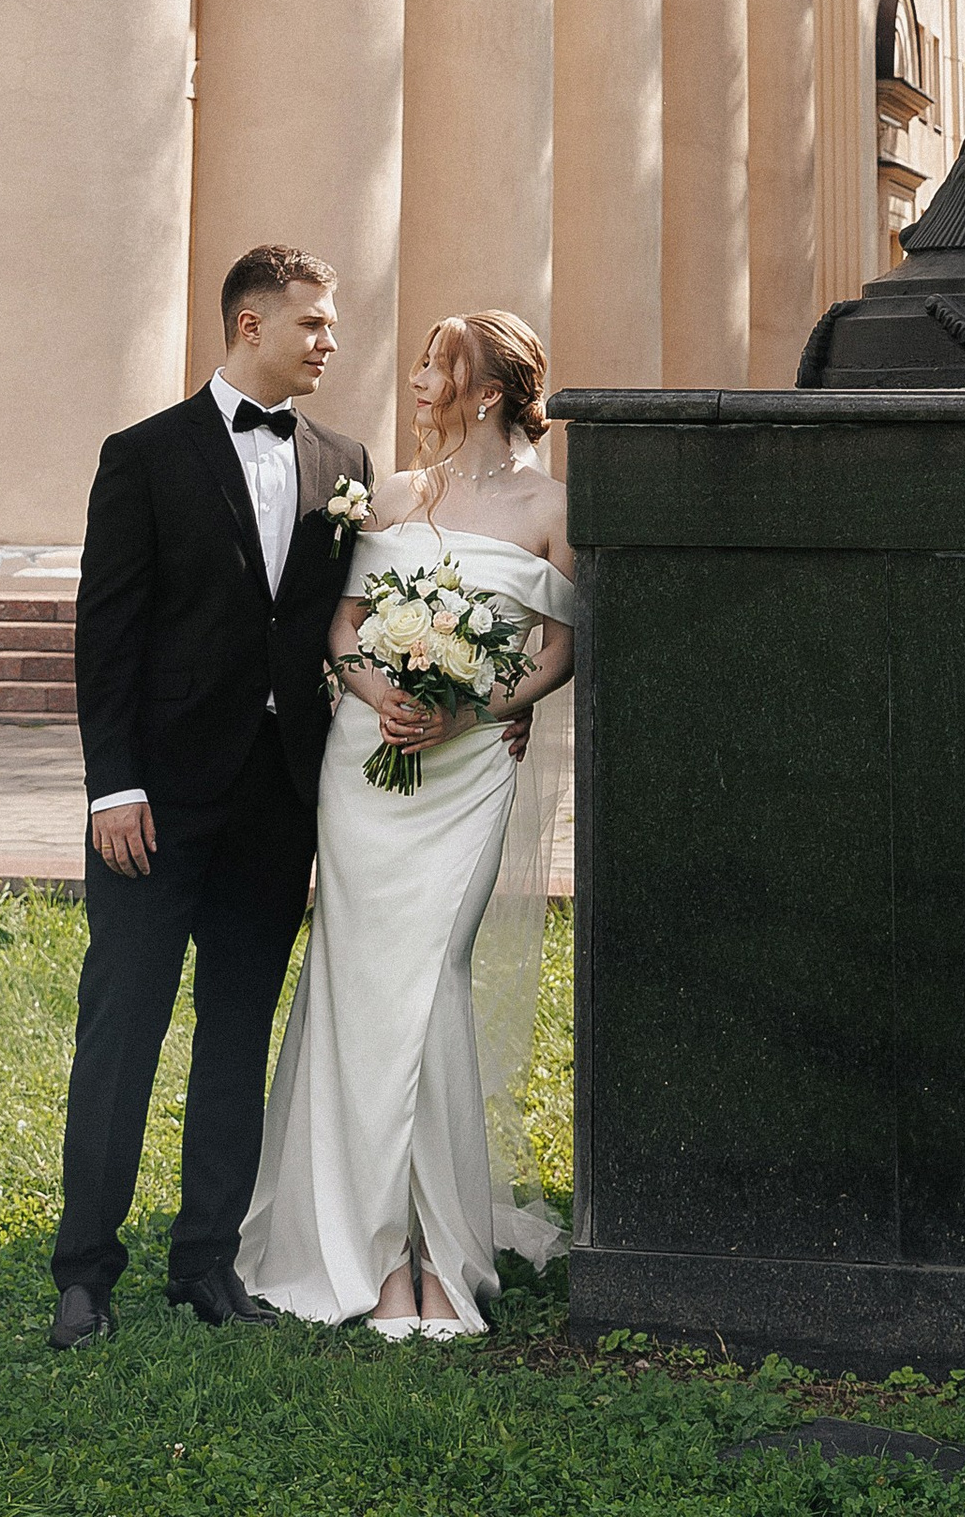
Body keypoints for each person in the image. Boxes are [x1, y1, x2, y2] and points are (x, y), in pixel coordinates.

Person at [48, 246, 372, 1348]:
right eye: (313, 324)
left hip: (278, 805)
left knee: (236, 1036)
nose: (330, 340)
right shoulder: (141, 455)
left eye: (331, 325)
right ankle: (84, 1273)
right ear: (249, 326)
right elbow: (108, 635)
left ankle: (206, 1263)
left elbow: (338, 627)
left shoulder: (344, 458)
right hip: (156, 805)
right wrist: (114, 787)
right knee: (121, 1031)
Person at [238, 310, 575, 1339]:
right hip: (367, 770)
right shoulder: (389, 495)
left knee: (433, 981)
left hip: (469, 766)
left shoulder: (554, 507)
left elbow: (563, 644)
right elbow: (342, 622)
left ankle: (439, 1248)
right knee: (356, 988)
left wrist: (478, 708)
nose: (419, 380)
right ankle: (374, 1252)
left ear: (485, 393)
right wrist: (377, 686)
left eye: (439, 366)